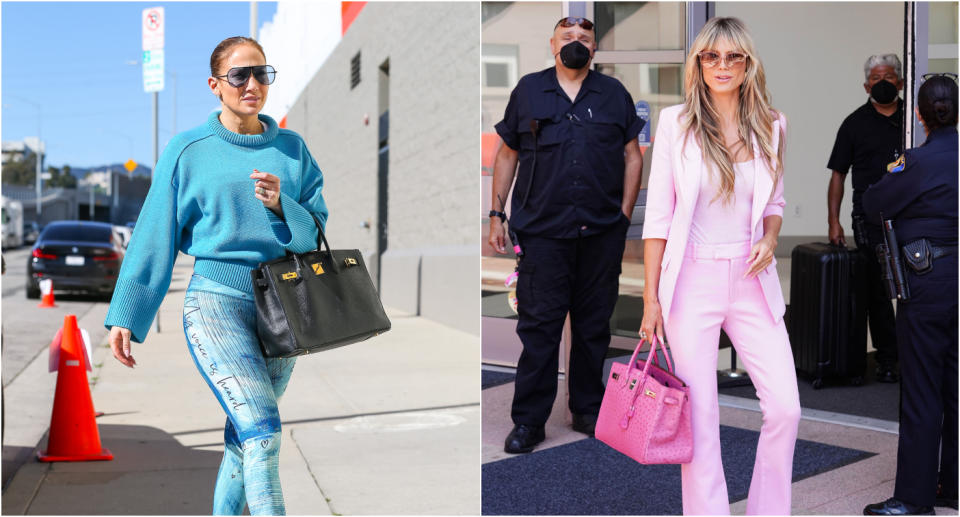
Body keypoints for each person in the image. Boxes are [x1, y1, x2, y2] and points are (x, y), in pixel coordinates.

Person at [103, 36, 328, 515]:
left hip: (283, 308)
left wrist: (282, 204)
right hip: (216, 302)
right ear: (215, 85)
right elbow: (154, 233)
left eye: (261, 74)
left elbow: (316, 232)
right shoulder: (189, 150)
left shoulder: (292, 149)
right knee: (264, 433)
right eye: (239, 75)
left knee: (243, 440)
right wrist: (127, 313)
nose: (252, 84)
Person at [641, 17, 800, 515]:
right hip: (692, 280)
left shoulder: (773, 124)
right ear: (699, 64)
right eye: (712, 56)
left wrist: (771, 238)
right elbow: (659, 218)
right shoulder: (675, 124)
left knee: (786, 408)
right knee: (702, 415)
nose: (723, 65)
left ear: (748, 63)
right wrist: (650, 300)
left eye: (733, 56)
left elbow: (773, 201)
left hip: (752, 280)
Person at [488, 16, 644, 454]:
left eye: (585, 39)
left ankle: (587, 410)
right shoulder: (529, 90)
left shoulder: (613, 94)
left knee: (594, 328)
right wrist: (496, 214)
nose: (576, 44)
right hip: (542, 235)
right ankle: (529, 422)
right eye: (568, 38)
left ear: (595, 49)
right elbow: (507, 153)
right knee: (539, 331)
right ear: (552, 44)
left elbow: (633, 155)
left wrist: (624, 214)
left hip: (600, 233)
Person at [861, 73, 958, 516]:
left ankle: (914, 498)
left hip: (928, 283)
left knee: (921, 389)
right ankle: (952, 486)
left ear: (919, 115)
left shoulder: (914, 162)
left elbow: (874, 203)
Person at [826, 54, 905, 383]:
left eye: (888, 76)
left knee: (916, 289)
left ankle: (916, 355)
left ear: (900, 82)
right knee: (878, 292)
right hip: (868, 218)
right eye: (876, 77)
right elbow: (838, 176)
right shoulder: (854, 123)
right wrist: (834, 220)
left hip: (911, 215)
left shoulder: (915, 120)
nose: (882, 82)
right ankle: (888, 360)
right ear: (866, 85)